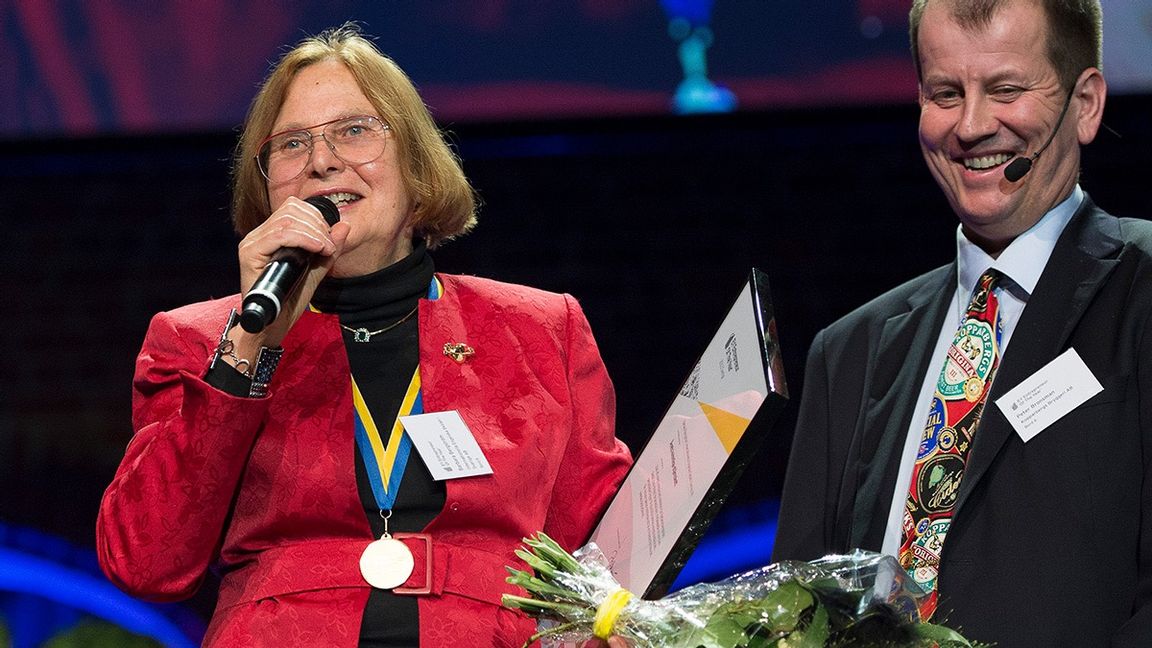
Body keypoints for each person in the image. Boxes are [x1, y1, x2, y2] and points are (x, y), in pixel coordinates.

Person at [96, 24, 631, 647]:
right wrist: (250, 344)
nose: (321, 160)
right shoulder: (198, 339)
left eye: (354, 131)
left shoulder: (540, 328)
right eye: (292, 144)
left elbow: (604, 559)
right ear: (267, 185)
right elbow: (146, 562)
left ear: (418, 167)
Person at [773, 1, 1151, 646]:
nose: (972, 126)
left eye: (1006, 90)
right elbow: (796, 613)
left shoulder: (1143, 294)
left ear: (1085, 104)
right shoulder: (849, 352)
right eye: (946, 93)